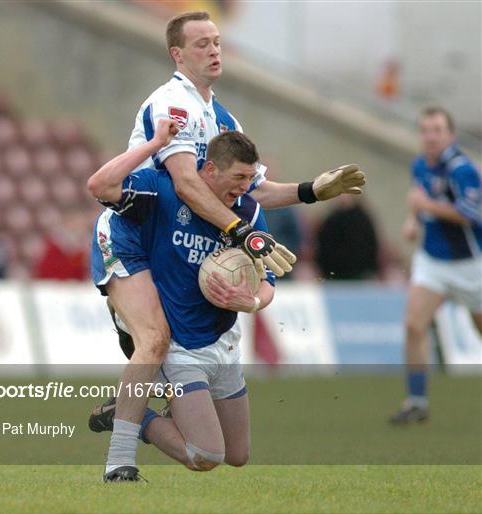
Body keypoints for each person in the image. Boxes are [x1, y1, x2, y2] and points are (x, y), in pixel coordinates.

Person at [89, 10, 366, 480]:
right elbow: (188, 184)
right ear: (177, 54)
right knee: (154, 339)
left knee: (223, 436)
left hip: (177, 233)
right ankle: (120, 460)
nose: (214, 50)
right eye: (202, 44)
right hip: (133, 227)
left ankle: (142, 407)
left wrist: (310, 191)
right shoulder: (171, 102)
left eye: (217, 41)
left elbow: (247, 188)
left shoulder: (223, 117)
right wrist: (241, 233)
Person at [89, 122, 275, 481]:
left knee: (237, 455)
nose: (244, 187)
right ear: (208, 169)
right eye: (238, 177)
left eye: (250, 178)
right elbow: (100, 185)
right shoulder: (166, 192)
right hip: (182, 349)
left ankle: (124, 407)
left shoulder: (249, 214)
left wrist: (250, 301)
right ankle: (131, 423)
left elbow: (268, 282)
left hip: (224, 343)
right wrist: (156, 144)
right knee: (205, 454)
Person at [389, 107, 482, 424]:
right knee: (414, 325)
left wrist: (424, 207)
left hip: (471, 263)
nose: (430, 136)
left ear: (450, 135)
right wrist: (413, 221)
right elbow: (419, 198)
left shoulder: (462, 169)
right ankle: (417, 402)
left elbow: (470, 214)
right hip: (433, 260)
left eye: (437, 130)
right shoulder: (420, 164)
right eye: (425, 129)